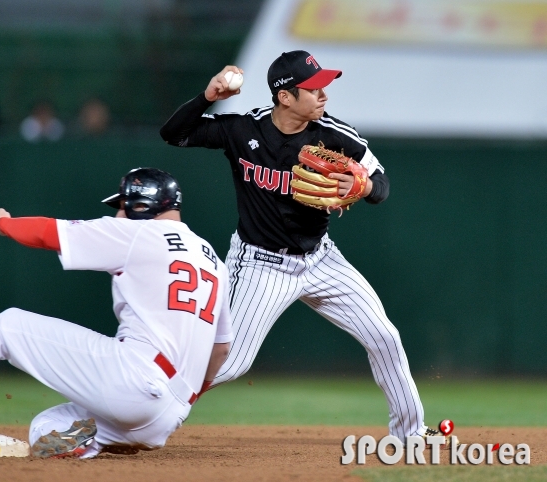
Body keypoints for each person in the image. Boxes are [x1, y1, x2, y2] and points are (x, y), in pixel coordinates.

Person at [159, 50, 445, 444]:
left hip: (322, 259)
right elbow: (173, 134)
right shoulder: (244, 130)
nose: (323, 93)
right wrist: (207, 98)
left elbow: (380, 180)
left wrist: (364, 186)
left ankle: (410, 433)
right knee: (229, 364)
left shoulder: (335, 135)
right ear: (285, 97)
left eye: (324, 84)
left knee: (385, 337)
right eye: (312, 88)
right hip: (260, 263)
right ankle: (139, 410)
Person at [0, 168, 232, 459]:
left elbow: (51, 233)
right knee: (47, 428)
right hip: (165, 417)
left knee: (7, 327)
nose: (117, 215)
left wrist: (4, 221)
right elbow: (220, 350)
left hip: (134, 379)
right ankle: (88, 447)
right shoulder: (214, 261)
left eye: (120, 207)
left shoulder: (139, 233)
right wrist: (181, 404)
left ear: (141, 206)